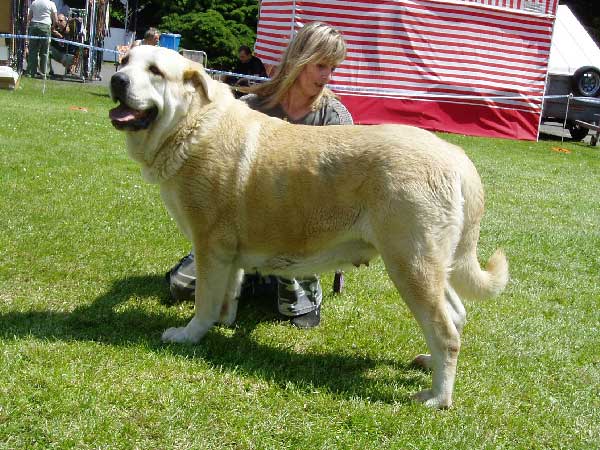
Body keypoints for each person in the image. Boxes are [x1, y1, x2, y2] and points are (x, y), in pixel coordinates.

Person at [167, 22, 352, 329]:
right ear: (299, 60)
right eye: (320, 66)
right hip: (237, 226)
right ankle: (247, 275)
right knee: (180, 287)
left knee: (297, 314)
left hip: (299, 232)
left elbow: (340, 194)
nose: (326, 76)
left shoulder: (336, 119)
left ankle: (263, 279)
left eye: (332, 68)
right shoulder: (251, 105)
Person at [26, 0, 58, 77]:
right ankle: (44, 73)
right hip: (45, 26)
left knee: (33, 51)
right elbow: (56, 20)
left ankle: (30, 72)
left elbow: (29, 17)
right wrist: (53, 27)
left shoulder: (34, 2)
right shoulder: (51, 4)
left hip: (34, 26)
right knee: (44, 51)